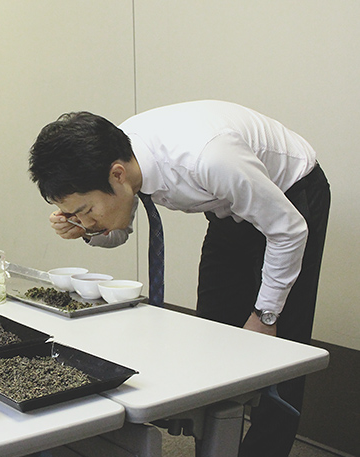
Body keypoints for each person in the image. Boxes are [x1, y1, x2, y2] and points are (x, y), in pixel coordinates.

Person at [28, 100, 330, 457]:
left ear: (118, 174)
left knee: (282, 350)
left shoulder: (209, 157)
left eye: (86, 210)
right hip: (227, 209)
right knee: (214, 333)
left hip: (290, 195)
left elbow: (289, 230)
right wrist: (85, 228)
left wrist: (266, 315)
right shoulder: (119, 155)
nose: (85, 218)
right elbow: (119, 229)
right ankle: (218, 445)